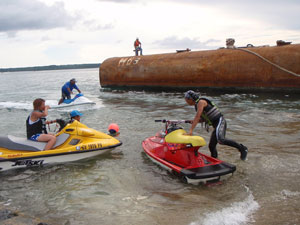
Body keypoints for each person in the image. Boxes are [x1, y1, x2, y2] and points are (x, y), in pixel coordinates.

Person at [184, 90, 248, 160]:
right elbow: (203, 119)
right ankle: (215, 160)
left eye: (186, 99)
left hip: (220, 121)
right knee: (211, 146)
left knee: (221, 140)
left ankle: (242, 148)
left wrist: (190, 131)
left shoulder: (201, 102)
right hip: (216, 124)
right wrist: (193, 122)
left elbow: (197, 116)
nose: (186, 101)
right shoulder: (197, 105)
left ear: (190, 99)